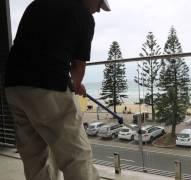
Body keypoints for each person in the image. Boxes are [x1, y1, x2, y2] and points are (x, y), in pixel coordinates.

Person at [4, 0, 111, 180]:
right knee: (76, 156)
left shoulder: (37, 4)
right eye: (99, 4)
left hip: (15, 87)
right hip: (48, 87)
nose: (99, 10)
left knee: (35, 157)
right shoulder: (82, 15)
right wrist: (75, 85)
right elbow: (78, 67)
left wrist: (72, 83)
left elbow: (38, 50)